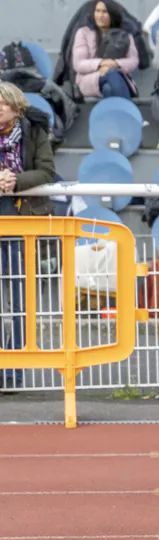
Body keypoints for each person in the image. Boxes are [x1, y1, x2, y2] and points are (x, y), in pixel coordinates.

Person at [0, 82, 56, 390]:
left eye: (3, 104)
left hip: (23, 221)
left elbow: (47, 172)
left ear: (16, 106)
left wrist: (14, 180)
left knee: (19, 299)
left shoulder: (34, 131)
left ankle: (15, 371)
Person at [71, 0, 138, 100]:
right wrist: (102, 63)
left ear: (112, 15)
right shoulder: (83, 32)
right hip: (88, 79)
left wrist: (114, 63)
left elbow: (133, 61)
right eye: (97, 11)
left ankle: (118, 114)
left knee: (108, 89)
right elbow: (78, 64)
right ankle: (130, 112)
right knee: (110, 73)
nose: (100, 15)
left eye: (104, 12)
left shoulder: (124, 34)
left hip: (116, 77)